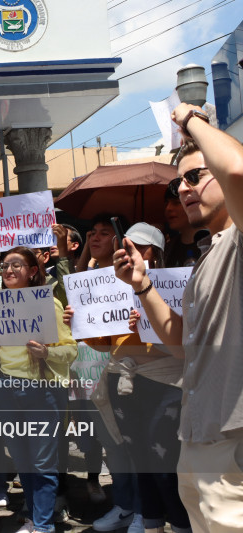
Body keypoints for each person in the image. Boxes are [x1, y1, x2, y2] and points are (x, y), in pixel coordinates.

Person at [114, 102, 243, 532]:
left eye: (195, 176)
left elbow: (238, 170)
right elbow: (182, 345)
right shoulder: (209, 255)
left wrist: (191, 121)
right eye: (177, 183)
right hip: (198, 439)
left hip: (233, 445)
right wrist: (143, 286)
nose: (183, 190)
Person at [68, 223, 188, 533]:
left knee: (165, 464)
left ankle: (181, 522)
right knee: (139, 459)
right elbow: (102, 344)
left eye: (140, 247)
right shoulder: (113, 287)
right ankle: (148, 520)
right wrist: (79, 324)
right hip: (121, 379)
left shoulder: (172, 285)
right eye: (127, 244)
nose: (130, 251)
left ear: (154, 252)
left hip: (164, 383)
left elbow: (181, 343)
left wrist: (145, 317)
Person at [0, 247, 77, 533]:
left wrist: (47, 352)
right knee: (22, 459)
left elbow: (70, 350)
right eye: (5, 265)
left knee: (43, 461)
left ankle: (43, 525)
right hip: (6, 389)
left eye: (17, 265)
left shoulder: (49, 304)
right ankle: (34, 516)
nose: (8, 270)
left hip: (42, 391)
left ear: (33, 271)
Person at [163, 187, 202, 267]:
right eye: (166, 203)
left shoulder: (214, 246)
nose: (168, 208)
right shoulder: (167, 249)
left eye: (177, 203)